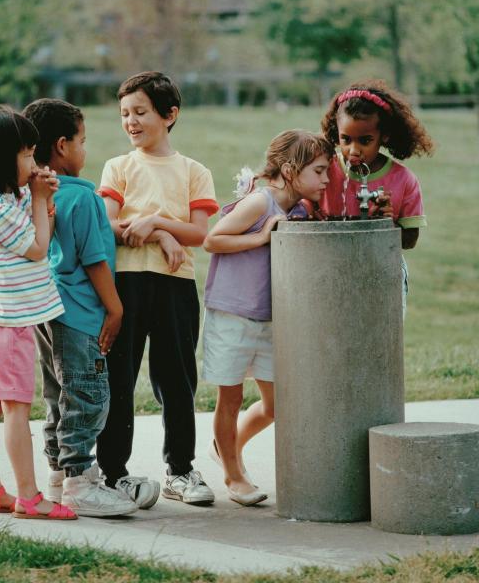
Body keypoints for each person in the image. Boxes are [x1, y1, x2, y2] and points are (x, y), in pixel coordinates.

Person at [97, 71, 219, 505]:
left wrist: (159, 223)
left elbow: (199, 234)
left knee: (177, 381)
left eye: (140, 112)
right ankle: (113, 474)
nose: (130, 121)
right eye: (124, 114)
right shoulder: (118, 167)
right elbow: (105, 226)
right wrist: (160, 234)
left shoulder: (194, 172)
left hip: (175, 287)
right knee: (119, 380)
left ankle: (180, 471)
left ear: (170, 115)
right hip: (125, 288)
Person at [202, 130, 333, 506]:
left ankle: (226, 448)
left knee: (275, 405)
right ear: (291, 170)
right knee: (230, 399)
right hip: (233, 314)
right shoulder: (260, 204)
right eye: (320, 171)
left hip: (270, 319)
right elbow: (213, 240)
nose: (326, 180)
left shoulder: (299, 207)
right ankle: (233, 474)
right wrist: (259, 238)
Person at [22, 98, 139, 517]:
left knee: (58, 394)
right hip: (80, 314)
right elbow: (93, 260)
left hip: (47, 311)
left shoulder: (38, 195)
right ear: (62, 146)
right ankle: (79, 482)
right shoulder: (84, 198)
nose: (85, 150)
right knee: (88, 394)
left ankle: (57, 475)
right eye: (82, 141)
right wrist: (116, 309)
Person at [0, 104, 76, 521]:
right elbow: (37, 248)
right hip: (7, 323)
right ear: (2, 157)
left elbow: (31, 212)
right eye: (28, 155)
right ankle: (30, 496)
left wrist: (37, 191)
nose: (34, 163)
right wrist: (42, 199)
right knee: (14, 409)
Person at [319, 80, 434, 312]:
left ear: (385, 136)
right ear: (336, 132)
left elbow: (410, 240)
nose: (354, 150)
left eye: (365, 140)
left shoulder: (403, 180)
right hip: (328, 269)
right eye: (345, 139)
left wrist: (387, 223)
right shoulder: (323, 171)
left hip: (382, 271)